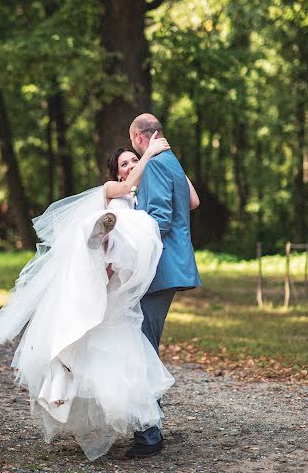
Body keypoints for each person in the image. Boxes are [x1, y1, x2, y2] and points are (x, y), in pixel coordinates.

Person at [0, 134, 182, 461]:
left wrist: (172, 163)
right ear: (117, 172)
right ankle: (100, 235)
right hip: (101, 264)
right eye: (126, 163)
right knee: (102, 226)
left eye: (133, 160)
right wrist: (149, 153)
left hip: (122, 276)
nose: (132, 164)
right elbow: (124, 188)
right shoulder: (112, 189)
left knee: (115, 350)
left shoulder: (141, 199)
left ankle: (145, 427)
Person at [125, 113, 201, 459]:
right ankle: (148, 426)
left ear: (140, 138)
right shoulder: (171, 160)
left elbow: (159, 221)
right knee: (143, 345)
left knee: (142, 349)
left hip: (158, 270)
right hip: (171, 269)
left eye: (133, 144)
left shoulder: (154, 164)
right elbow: (193, 202)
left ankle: (149, 434)